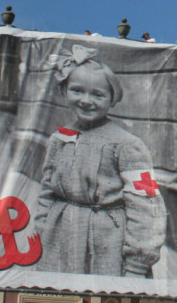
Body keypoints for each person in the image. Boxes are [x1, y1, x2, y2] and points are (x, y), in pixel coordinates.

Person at [36, 45, 166, 277]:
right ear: (64, 91)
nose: (86, 101)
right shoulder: (60, 138)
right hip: (60, 239)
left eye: (98, 94)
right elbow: (47, 190)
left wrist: (138, 262)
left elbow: (146, 203)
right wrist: (43, 228)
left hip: (107, 242)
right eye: (77, 90)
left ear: (112, 99)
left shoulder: (127, 144)